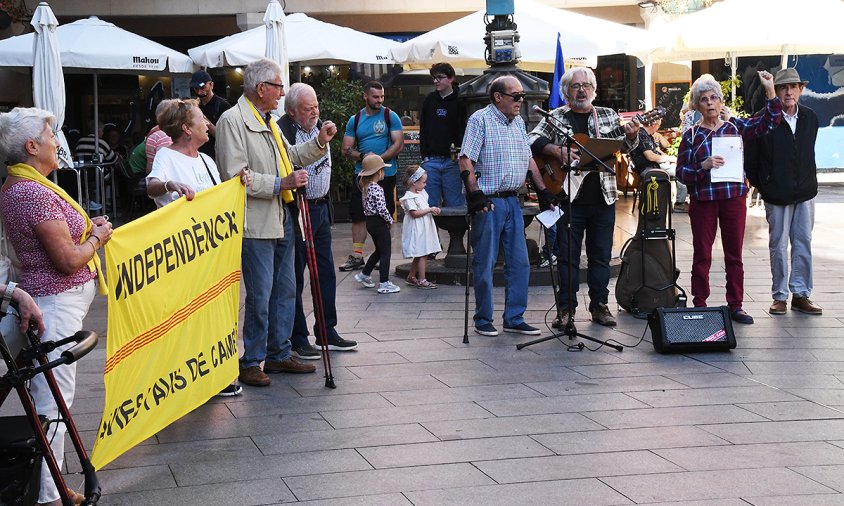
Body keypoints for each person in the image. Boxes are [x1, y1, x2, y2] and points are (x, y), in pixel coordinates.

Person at [0, 107, 113, 506]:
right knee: (54, 401)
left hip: (51, 299)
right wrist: (97, 237)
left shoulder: (22, 186)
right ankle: (49, 496)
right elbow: (66, 259)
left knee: (51, 398)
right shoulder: (30, 191)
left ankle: (49, 487)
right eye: (51, 135)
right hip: (55, 301)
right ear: (32, 147)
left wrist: (87, 230)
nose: (56, 141)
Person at [215, 58, 337, 387]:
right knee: (260, 293)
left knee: (286, 289)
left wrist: (320, 142)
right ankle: (252, 358)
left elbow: (291, 157)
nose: (282, 93)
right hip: (255, 222)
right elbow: (234, 177)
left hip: (282, 215)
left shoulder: (266, 120)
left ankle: (278, 353)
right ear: (261, 88)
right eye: (278, 87)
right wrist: (279, 184)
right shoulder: (233, 121)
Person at [145, 98, 251, 397]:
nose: (207, 123)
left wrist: (239, 184)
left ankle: (217, 372)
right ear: (186, 128)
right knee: (191, 315)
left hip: (214, 254)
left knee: (216, 313)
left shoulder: (206, 160)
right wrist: (169, 185)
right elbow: (152, 184)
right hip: (186, 254)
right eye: (201, 118)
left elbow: (219, 196)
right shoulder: (167, 156)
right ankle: (190, 376)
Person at [528, 67, 640, 328]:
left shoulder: (608, 116)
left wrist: (632, 136)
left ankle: (599, 306)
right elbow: (531, 138)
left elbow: (622, 147)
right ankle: (566, 310)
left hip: (603, 197)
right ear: (566, 91)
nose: (581, 90)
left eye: (586, 85)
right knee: (567, 257)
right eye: (576, 86)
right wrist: (556, 150)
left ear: (594, 90)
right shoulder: (555, 116)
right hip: (569, 198)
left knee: (600, 255)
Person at [677, 71, 782, 325]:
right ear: (697, 105)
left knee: (734, 254)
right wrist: (702, 165)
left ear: (721, 101)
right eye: (704, 99)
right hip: (704, 200)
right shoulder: (691, 135)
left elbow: (771, 121)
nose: (710, 102)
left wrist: (769, 90)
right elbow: (681, 173)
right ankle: (700, 302)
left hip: (733, 197)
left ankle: (735, 304)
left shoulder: (736, 127)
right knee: (702, 253)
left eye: (714, 97)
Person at [459, 75, 556, 337]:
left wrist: (543, 190)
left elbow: (529, 160)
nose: (520, 101)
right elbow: (466, 159)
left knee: (520, 262)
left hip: (513, 199)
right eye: (516, 96)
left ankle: (514, 317)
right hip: (489, 201)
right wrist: (475, 195)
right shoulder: (480, 119)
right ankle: (483, 319)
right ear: (498, 96)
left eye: (522, 96)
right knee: (485, 261)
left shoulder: (519, 123)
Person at [277, 83, 357, 360]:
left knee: (325, 272)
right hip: (298, 208)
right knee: (295, 274)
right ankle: (298, 336)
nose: (314, 112)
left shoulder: (321, 126)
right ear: (291, 110)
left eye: (316, 107)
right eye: (307, 109)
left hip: (321, 207)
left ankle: (326, 330)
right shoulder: (282, 132)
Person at [745, 68, 822, 316]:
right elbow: (752, 160)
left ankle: (801, 295)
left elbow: (808, 153)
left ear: (801, 90)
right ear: (775, 91)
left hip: (805, 192)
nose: (788, 92)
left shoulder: (810, 118)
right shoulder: (763, 118)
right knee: (778, 245)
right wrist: (764, 185)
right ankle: (779, 296)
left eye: (793, 87)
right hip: (776, 193)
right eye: (783, 87)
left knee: (803, 243)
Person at [340, 81, 403, 272]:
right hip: (362, 175)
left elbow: (398, 144)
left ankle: (381, 254)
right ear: (365, 96)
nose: (380, 100)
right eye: (375, 97)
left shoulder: (389, 115)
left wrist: (377, 162)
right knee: (358, 214)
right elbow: (346, 148)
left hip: (385, 173)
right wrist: (363, 157)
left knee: (384, 214)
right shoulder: (355, 119)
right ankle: (357, 256)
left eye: (382, 96)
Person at [419, 62, 466, 208]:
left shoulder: (461, 100)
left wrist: (461, 153)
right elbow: (423, 129)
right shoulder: (430, 100)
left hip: (453, 161)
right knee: (429, 205)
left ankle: (456, 232)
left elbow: (463, 129)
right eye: (434, 78)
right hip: (431, 160)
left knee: (455, 204)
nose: (435, 81)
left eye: (439, 77)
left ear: (451, 78)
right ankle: (432, 232)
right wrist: (425, 156)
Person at [353, 155, 400, 294]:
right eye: (383, 170)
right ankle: (384, 283)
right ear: (378, 172)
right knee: (386, 252)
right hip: (379, 223)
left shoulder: (366, 187)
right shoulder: (377, 188)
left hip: (370, 222)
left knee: (379, 250)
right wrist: (389, 220)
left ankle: (364, 274)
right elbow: (381, 208)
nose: (384, 173)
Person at [629, 117, 688, 212]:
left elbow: (659, 151)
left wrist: (667, 158)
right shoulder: (641, 134)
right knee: (682, 171)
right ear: (653, 124)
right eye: (658, 125)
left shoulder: (648, 135)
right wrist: (669, 158)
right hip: (648, 167)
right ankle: (679, 203)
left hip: (654, 165)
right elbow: (650, 156)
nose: (658, 128)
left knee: (680, 168)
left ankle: (680, 201)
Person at [399, 166, 441, 289]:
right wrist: (429, 209)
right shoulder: (409, 198)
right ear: (414, 182)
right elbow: (414, 213)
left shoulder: (420, 193)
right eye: (423, 182)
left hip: (424, 227)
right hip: (417, 229)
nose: (425, 184)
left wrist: (433, 210)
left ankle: (412, 275)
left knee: (420, 253)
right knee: (423, 253)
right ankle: (422, 279)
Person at [190, 69, 231, 161]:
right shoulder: (195, 104)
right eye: (196, 89)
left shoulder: (223, 106)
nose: (199, 92)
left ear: (211, 85)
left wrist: (201, 116)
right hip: (197, 155)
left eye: (203, 87)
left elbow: (223, 136)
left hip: (216, 155)